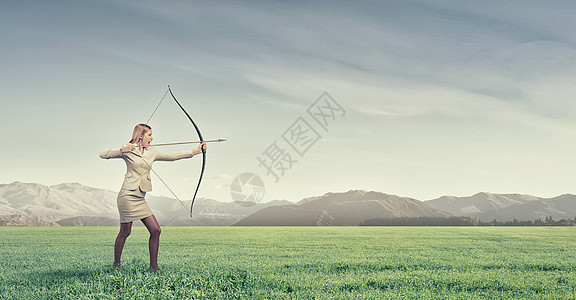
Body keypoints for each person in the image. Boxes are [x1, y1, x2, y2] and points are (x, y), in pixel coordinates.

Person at [99, 123, 206, 271]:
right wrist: (122, 150)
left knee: (156, 230)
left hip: (140, 197)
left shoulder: (152, 152)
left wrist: (195, 151)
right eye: (149, 135)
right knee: (125, 232)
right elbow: (102, 154)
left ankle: (154, 267)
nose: (152, 138)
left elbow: (171, 156)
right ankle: (116, 265)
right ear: (140, 136)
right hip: (127, 196)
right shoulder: (128, 149)